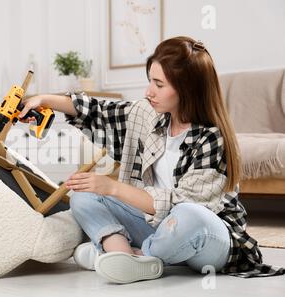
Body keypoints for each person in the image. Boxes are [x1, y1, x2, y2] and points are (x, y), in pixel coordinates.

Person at [19, 36, 284, 284]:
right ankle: (121, 254)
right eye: (150, 81)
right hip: (157, 229)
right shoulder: (148, 116)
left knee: (188, 214)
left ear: (187, 89)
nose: (149, 91)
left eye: (159, 85)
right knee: (82, 194)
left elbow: (185, 205)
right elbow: (97, 110)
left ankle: (136, 256)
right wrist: (43, 100)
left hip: (206, 239)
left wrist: (112, 187)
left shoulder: (213, 139)